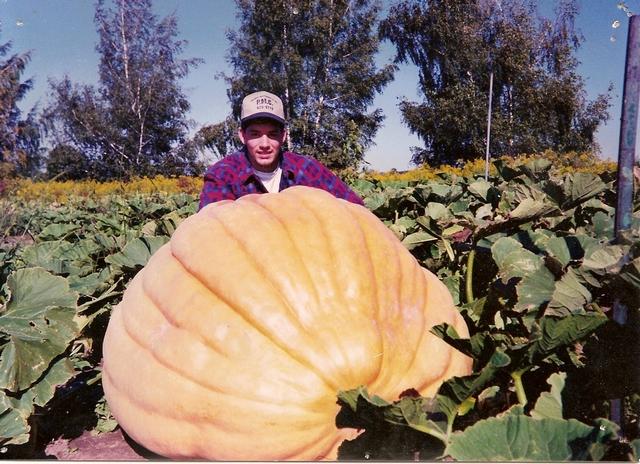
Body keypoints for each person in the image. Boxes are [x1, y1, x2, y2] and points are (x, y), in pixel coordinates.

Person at [199, 91, 364, 209]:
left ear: (283, 136)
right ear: (242, 136)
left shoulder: (307, 169)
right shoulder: (222, 176)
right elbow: (210, 231)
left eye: (272, 134)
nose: (264, 144)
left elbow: (355, 208)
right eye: (255, 134)